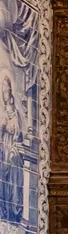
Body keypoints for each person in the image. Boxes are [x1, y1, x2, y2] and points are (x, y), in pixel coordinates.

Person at [0, 76, 24, 222]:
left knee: (14, 176)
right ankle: (5, 209)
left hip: (13, 148)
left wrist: (9, 128)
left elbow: (18, 131)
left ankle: (14, 209)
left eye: (6, 88)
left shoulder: (16, 113)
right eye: (2, 90)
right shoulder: (3, 114)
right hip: (4, 147)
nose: (4, 92)